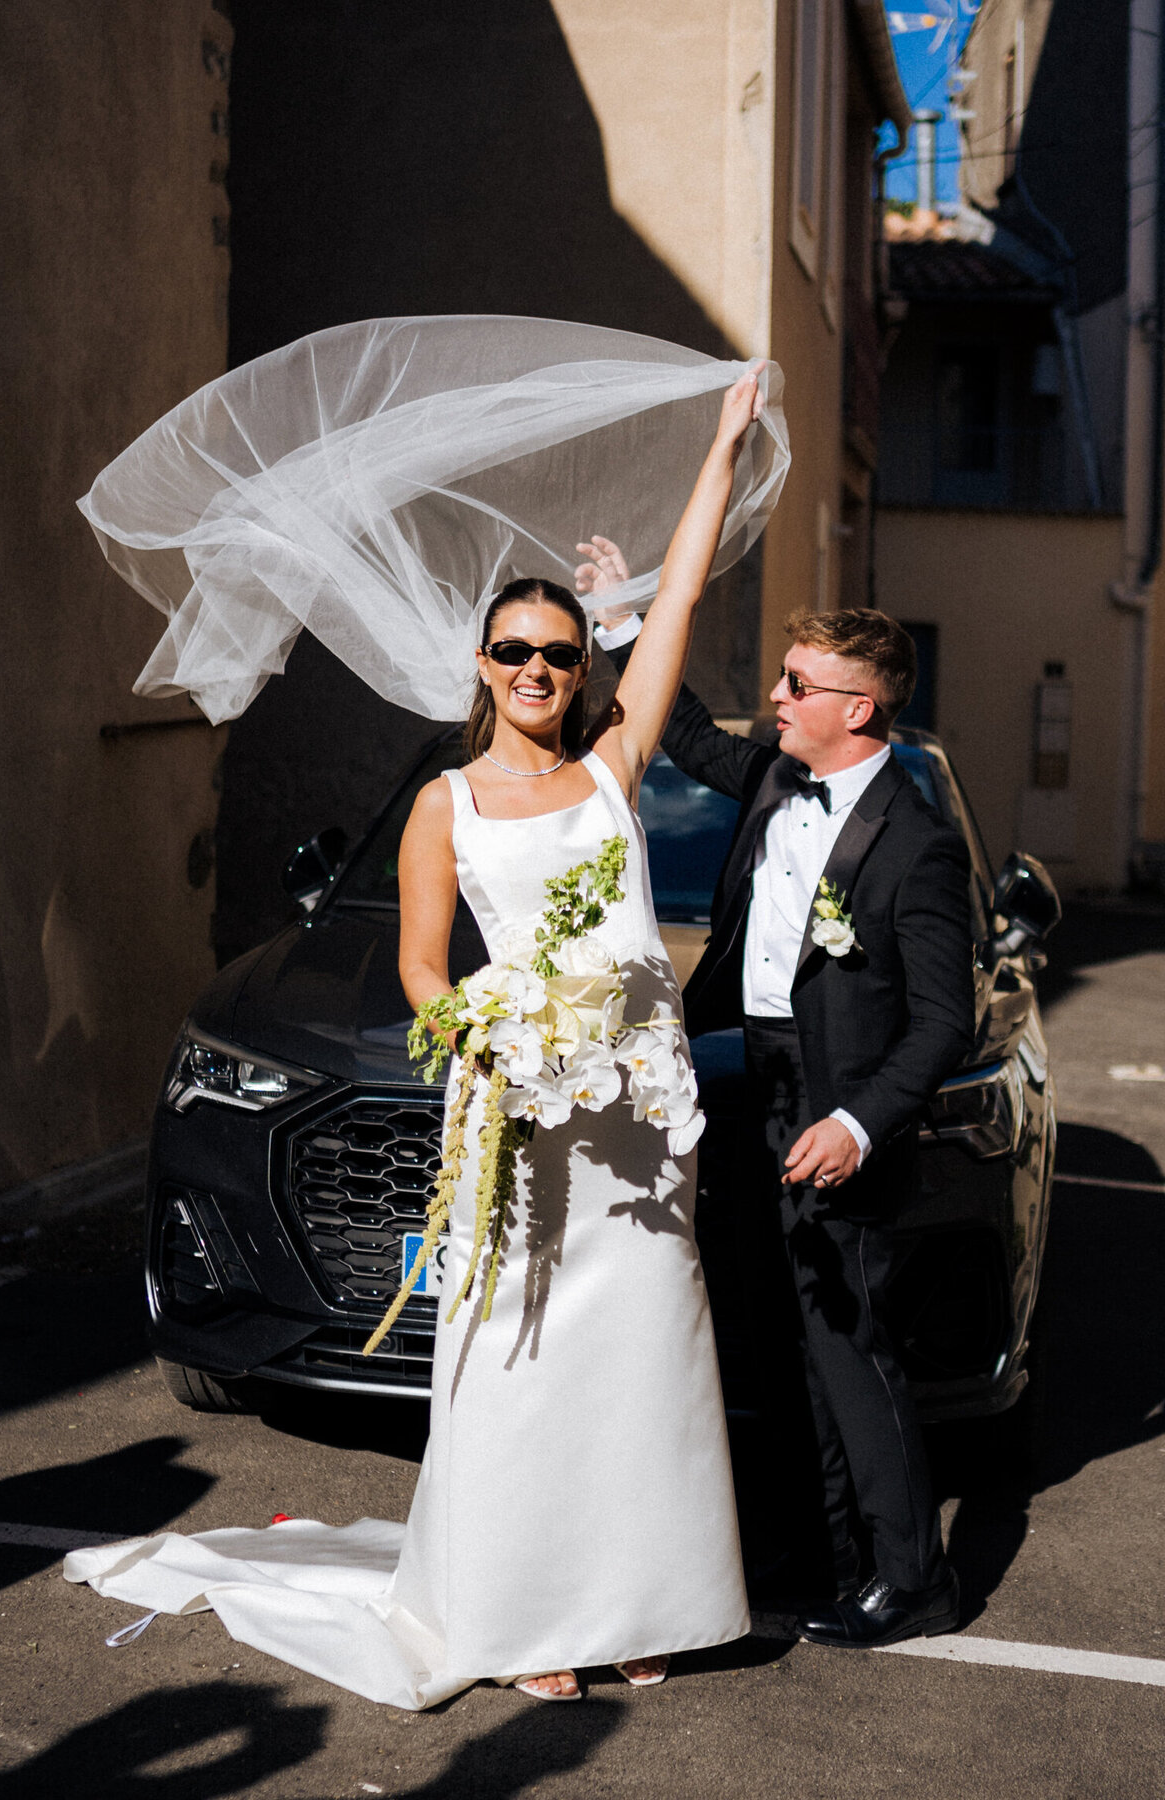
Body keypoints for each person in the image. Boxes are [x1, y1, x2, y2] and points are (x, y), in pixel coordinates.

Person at [66, 367, 766, 1708]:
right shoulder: (447, 801)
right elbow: (420, 964)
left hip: (632, 1110)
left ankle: (641, 1596)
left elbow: (675, 601)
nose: (541, 673)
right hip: (520, 1107)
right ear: (484, 668)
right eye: (516, 653)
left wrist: (720, 451)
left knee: (641, 1363)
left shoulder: (613, 768)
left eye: (561, 655)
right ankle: (526, 1613)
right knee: (526, 1359)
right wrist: (479, 1031)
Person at [592, 577, 975, 1649]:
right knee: (776, 1334)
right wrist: (627, 626)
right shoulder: (772, 777)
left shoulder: (920, 843)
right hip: (746, 1079)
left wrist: (858, 1124)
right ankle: (828, 1555)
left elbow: (946, 1018)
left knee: (851, 1341)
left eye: (797, 685)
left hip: (838, 1103)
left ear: (861, 707)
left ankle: (915, 1579)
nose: (773, 698)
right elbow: (675, 732)